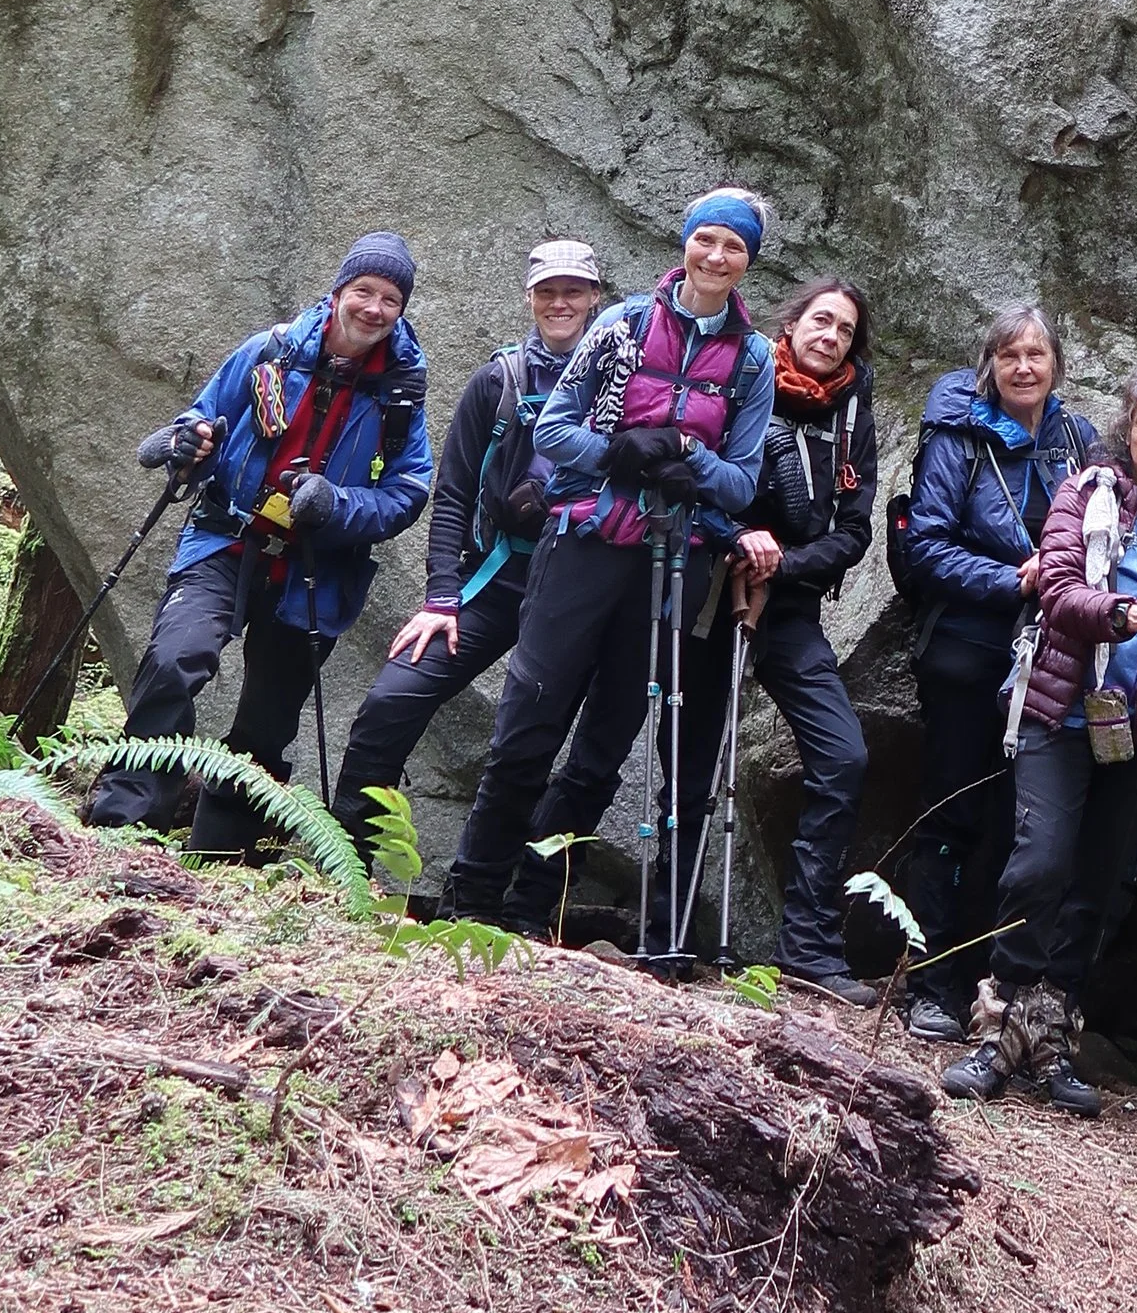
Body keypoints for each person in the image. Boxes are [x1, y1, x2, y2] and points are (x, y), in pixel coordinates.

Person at [441, 190, 775, 928]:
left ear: (750, 261)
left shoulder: (753, 362)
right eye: (707, 240)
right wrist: (622, 456)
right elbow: (556, 430)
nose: (717, 257)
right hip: (582, 548)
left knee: (603, 746)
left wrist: (686, 457)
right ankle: (471, 898)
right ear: (686, 243)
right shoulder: (622, 325)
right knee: (527, 727)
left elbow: (743, 480)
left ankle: (537, 907)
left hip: (668, 567)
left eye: (734, 248)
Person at [942, 366, 1137, 1115]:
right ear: (1126, 428)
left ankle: (1052, 1040)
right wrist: (1131, 615)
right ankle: (996, 1023)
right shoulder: (1085, 493)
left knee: (1097, 886)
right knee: (1039, 862)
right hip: (1057, 713)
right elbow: (1061, 591)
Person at [84, 234, 434, 856]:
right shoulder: (269, 352)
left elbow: (408, 492)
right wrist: (181, 443)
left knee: (267, 724)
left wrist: (336, 505)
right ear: (337, 294)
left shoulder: (401, 392)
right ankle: (120, 828)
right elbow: (201, 416)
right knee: (174, 660)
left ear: (401, 309)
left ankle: (216, 856)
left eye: (390, 298)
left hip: (315, 569)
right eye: (364, 292)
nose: (374, 309)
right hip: (226, 539)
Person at [329, 238, 607, 850]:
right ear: (530, 298)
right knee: (391, 699)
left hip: (577, 587)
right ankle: (346, 866)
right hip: (497, 578)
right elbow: (452, 493)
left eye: (574, 291)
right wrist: (440, 598)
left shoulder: (622, 385)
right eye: (547, 292)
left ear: (595, 299)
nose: (560, 303)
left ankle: (493, 900)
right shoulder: (498, 380)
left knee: (528, 738)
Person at [669, 272, 879, 994]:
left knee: (843, 755)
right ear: (794, 325)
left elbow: (854, 532)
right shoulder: (746, 373)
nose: (831, 337)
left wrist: (782, 562)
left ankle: (809, 948)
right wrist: (738, 537)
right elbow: (694, 470)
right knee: (691, 760)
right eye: (822, 321)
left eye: (845, 330)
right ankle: (667, 928)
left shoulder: (852, 412)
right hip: (709, 592)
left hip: (788, 603)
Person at [897, 306, 1097, 1041]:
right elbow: (926, 546)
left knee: (1028, 829)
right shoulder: (958, 434)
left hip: (1053, 660)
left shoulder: (1077, 442)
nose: (1023, 367)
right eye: (1009, 354)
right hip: (971, 646)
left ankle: (997, 988)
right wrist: (1014, 579)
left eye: (1036, 354)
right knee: (953, 812)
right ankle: (930, 985)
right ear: (989, 364)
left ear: (1056, 366)